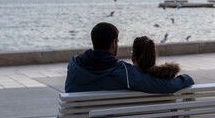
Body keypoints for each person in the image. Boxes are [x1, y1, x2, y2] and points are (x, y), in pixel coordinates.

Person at [65, 22, 194, 93]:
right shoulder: (123, 73)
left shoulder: (74, 66)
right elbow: (165, 86)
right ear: (114, 43)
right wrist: (185, 78)